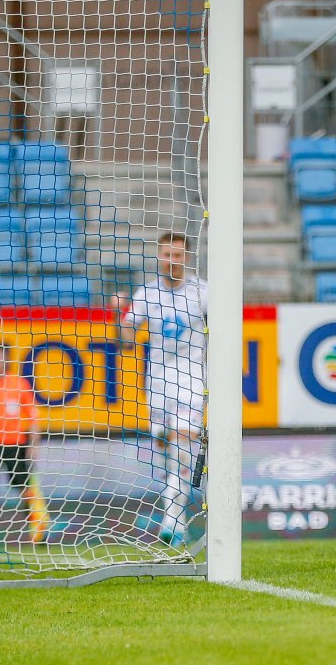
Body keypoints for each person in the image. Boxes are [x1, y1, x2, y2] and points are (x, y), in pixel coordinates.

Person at [113, 231, 208, 546]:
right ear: (159, 256)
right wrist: (120, 314)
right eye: (167, 254)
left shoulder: (203, 293)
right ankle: (176, 515)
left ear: (187, 258)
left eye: (178, 255)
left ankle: (172, 522)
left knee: (182, 447)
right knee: (168, 451)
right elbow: (127, 340)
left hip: (191, 380)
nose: (172, 261)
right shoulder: (146, 294)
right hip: (156, 384)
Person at [0, 343, 49, 543]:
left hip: (16, 445)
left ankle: (38, 529)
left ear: (7, 360)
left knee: (25, 488)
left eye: (0, 358)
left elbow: (33, 417)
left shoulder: (18, 384)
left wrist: (34, 445)